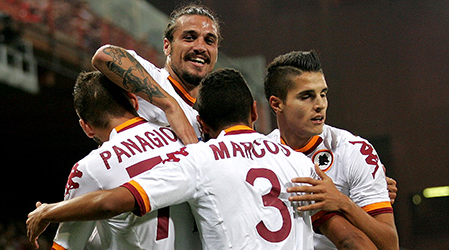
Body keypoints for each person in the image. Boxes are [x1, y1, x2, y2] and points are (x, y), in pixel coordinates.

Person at [27, 69, 381, 249]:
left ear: (202, 123)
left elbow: (113, 201)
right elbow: (350, 241)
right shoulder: (297, 162)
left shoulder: (197, 158)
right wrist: (349, 206)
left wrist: (48, 210)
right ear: (256, 111)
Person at [263, 51, 399, 249]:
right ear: (277, 104)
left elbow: (390, 244)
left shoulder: (353, 150)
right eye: (307, 96)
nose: (320, 105)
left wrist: (343, 202)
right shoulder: (263, 153)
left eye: (323, 94)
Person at [50, 71, 200, 249]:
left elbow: (66, 246)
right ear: (134, 100)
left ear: (86, 127)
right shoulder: (185, 136)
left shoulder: (90, 167)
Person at [91, 3, 221, 144]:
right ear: (167, 46)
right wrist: (171, 106)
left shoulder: (199, 121)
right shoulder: (154, 78)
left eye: (209, 41)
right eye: (189, 38)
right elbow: (104, 55)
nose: (200, 47)